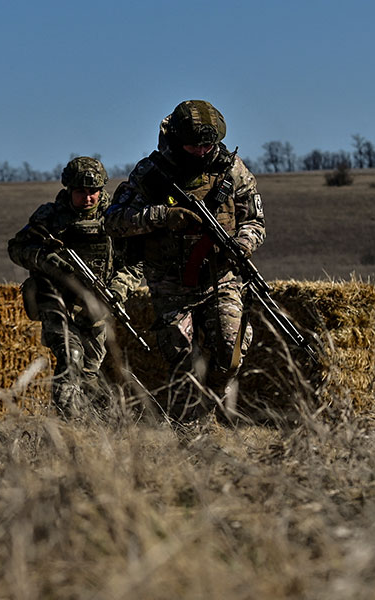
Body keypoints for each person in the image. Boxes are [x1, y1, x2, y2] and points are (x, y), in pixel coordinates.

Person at [104, 99, 265, 418]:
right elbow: (114, 220)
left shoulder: (232, 170)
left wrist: (243, 244)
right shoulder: (151, 173)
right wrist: (162, 216)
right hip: (170, 283)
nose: (202, 151)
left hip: (220, 276)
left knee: (230, 349)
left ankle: (213, 400)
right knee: (181, 357)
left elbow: (254, 220)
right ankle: (187, 427)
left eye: (208, 144)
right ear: (178, 139)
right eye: (194, 145)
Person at [7, 156, 142, 415]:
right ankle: (66, 427)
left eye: (93, 192)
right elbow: (17, 248)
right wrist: (48, 261)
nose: (88, 197)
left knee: (89, 376)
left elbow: (135, 265)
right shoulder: (50, 216)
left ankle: (107, 421)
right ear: (69, 190)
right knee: (71, 359)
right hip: (56, 302)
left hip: (96, 307)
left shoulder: (115, 219)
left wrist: (117, 290)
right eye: (81, 191)